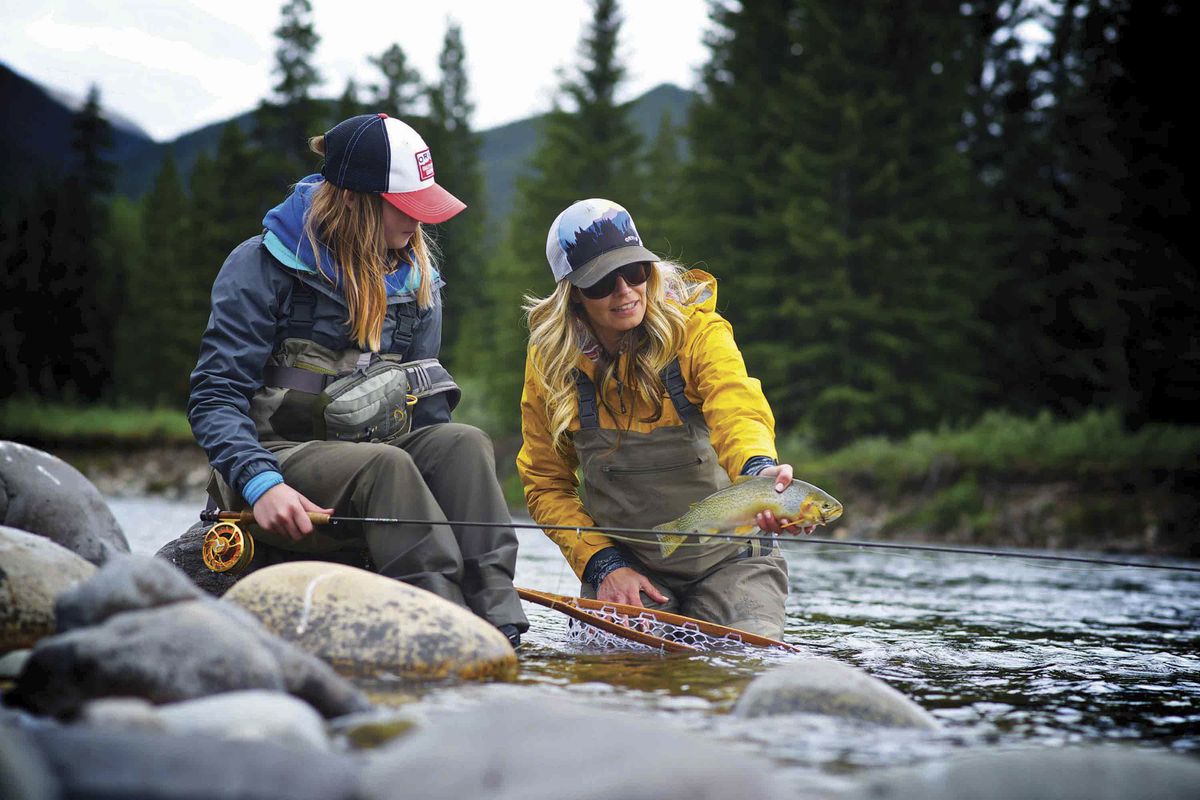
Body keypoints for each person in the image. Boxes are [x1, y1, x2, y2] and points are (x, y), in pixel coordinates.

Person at [188, 113, 528, 646]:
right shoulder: (259, 265)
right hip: (277, 458)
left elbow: (424, 406)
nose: (419, 224)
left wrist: (435, 513)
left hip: (373, 465)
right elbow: (214, 396)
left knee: (464, 443)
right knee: (386, 465)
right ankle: (442, 628)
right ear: (352, 199)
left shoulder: (419, 283)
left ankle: (500, 621)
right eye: (405, 209)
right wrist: (260, 483)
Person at [517, 198, 815, 638]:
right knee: (622, 678)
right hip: (626, 568)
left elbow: (736, 403)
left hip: (732, 562)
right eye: (601, 282)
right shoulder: (552, 362)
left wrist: (758, 471)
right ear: (573, 295)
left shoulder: (695, 329)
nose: (625, 291)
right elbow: (544, 483)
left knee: (743, 666)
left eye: (634, 271)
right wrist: (602, 564)